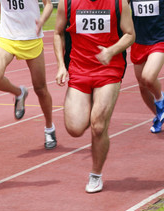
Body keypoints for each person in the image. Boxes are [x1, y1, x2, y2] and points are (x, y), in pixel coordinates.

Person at [53, 0, 135, 193]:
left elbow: (130, 34)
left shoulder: (118, 3)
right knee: (74, 128)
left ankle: (95, 174)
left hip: (109, 69)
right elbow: (57, 33)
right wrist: (60, 66)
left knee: (98, 125)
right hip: (79, 69)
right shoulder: (68, 3)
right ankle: (93, 107)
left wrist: (111, 51)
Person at [0, 0, 57, 150]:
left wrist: (41, 21)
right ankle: (19, 93)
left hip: (32, 38)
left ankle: (49, 128)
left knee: (40, 88)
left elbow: (49, 4)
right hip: (8, 38)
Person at [128, 0, 164, 133]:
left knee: (148, 77)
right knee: (142, 86)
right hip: (139, 41)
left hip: (159, 39)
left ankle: (161, 100)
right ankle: (159, 116)